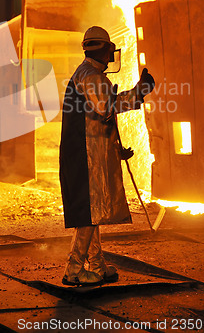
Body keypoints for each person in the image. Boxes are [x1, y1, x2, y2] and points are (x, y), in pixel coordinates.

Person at [59, 26, 155, 286]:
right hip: (85, 155)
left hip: (88, 152)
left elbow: (95, 118)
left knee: (94, 212)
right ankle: (74, 269)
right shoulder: (91, 76)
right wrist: (139, 92)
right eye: (110, 50)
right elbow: (106, 107)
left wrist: (114, 149)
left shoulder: (87, 74)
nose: (112, 55)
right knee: (89, 213)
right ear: (103, 49)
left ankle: (97, 265)